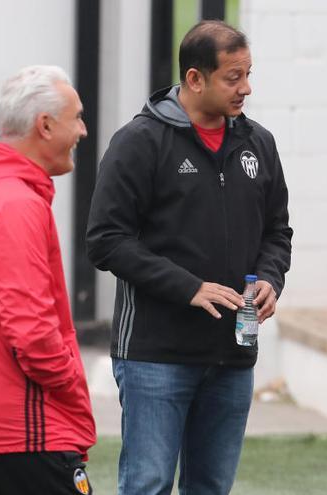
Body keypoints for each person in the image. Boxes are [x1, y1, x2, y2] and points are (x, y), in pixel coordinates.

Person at [85, 20, 292, 495]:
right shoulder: (139, 142)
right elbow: (105, 239)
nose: (246, 88)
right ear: (194, 79)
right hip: (156, 357)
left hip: (233, 355)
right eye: (233, 77)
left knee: (211, 487)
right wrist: (189, 288)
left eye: (248, 74)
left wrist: (269, 277)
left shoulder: (259, 142)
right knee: (149, 484)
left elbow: (277, 231)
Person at [0, 65, 96, 495]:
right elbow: (32, 332)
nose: (83, 131)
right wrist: (71, 384)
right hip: (22, 431)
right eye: (77, 117)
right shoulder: (15, 203)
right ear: (44, 126)